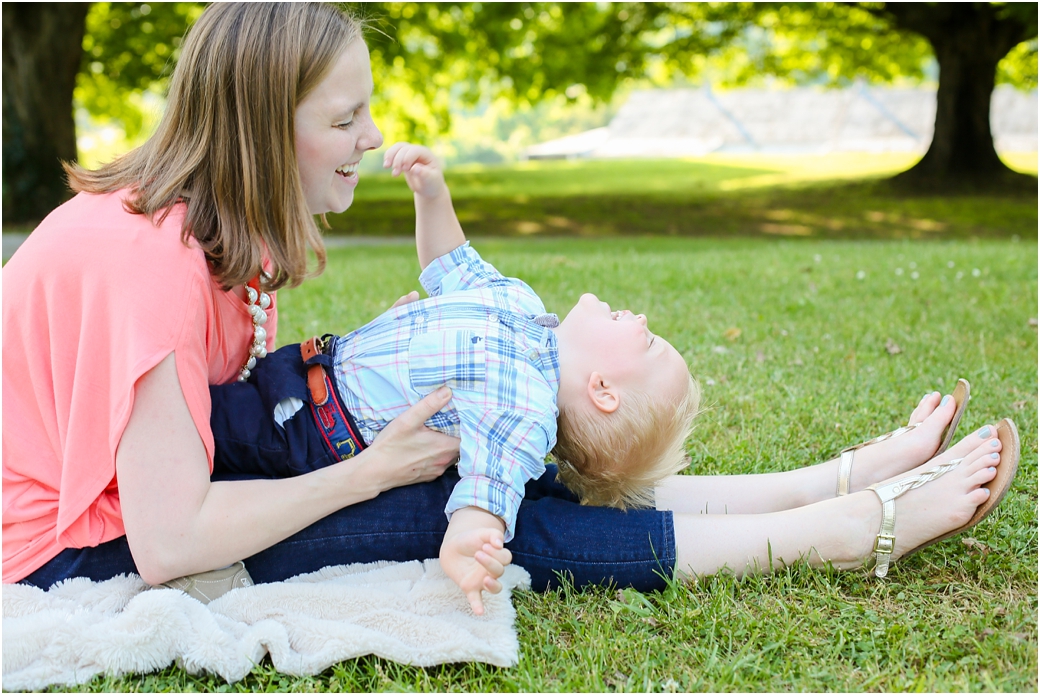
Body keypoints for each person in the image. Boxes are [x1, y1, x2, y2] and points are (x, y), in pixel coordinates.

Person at [3, 3, 1019, 618]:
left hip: (150, 500)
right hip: (66, 550)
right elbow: (170, 537)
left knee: (489, 459)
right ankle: (839, 525)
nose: (368, 136)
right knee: (485, 509)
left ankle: (828, 481)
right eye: (344, 119)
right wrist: (370, 469)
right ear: (267, 129)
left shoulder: (208, 240)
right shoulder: (145, 267)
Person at [186, 140, 698, 601]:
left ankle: (145, 489)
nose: (644, 319)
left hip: (310, 433)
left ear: (603, 389)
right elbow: (451, 264)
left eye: (649, 343)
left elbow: (488, 490)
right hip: (302, 372)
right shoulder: (520, 303)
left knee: (197, 430)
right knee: (200, 407)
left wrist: (470, 545)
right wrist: (432, 194)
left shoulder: (526, 407)